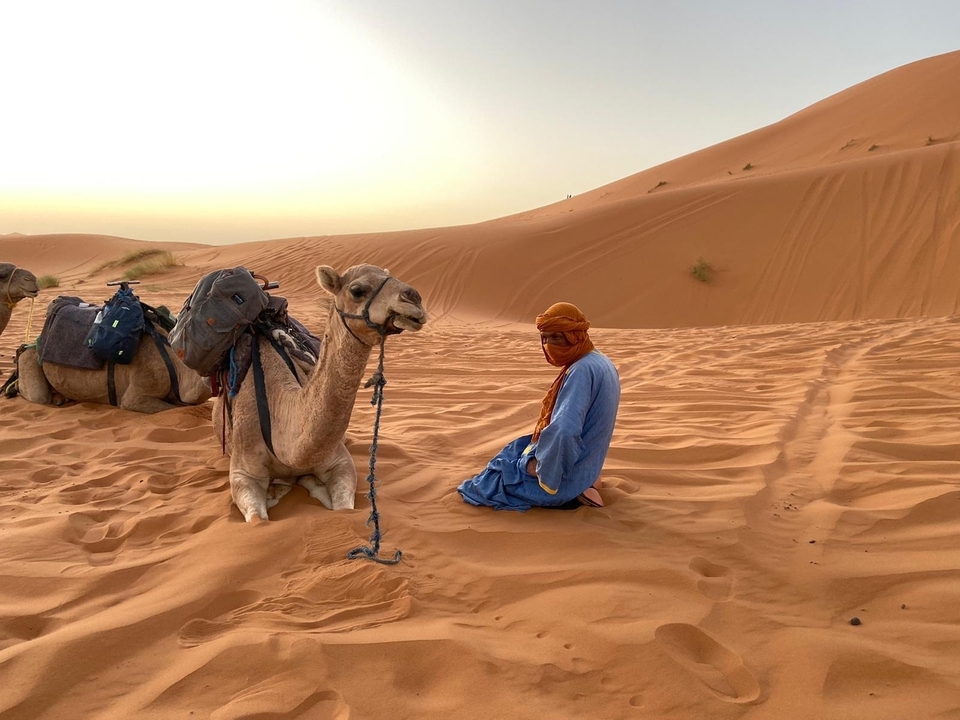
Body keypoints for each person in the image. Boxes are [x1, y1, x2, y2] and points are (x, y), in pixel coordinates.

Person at [457, 302, 621, 511]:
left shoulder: (580, 370)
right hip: (589, 462)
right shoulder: (601, 360)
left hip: (568, 474)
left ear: (574, 335)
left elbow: (564, 430)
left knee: (487, 483)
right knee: (518, 447)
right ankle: (586, 481)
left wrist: (543, 471)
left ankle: (570, 493)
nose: (548, 345)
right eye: (545, 338)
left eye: (557, 337)